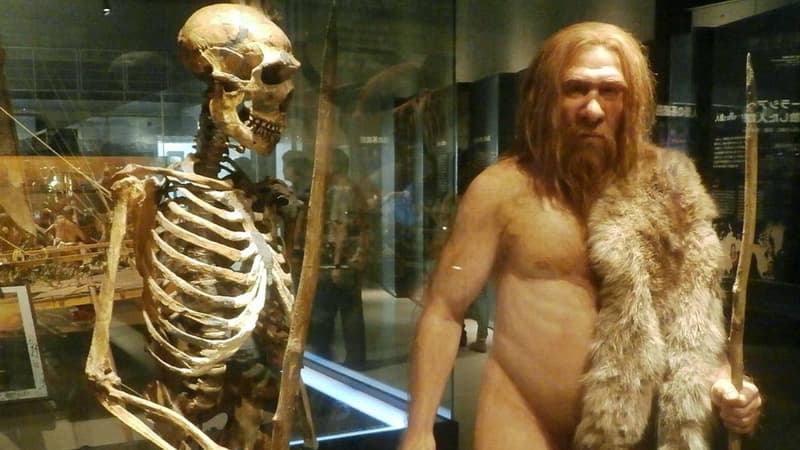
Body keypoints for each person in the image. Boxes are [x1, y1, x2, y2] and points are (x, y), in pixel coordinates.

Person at [398, 22, 762, 450]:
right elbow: (444, 309)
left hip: (626, 432)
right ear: (546, 98)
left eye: (610, 91)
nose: (592, 109)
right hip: (519, 413)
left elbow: (691, 321)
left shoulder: (669, 187)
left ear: (633, 102)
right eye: (576, 89)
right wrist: (419, 429)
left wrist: (724, 382)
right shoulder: (502, 190)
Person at [306, 148, 371, 370]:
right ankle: (355, 359)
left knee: (332, 310)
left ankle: (327, 358)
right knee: (351, 309)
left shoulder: (338, 189)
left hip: (340, 260)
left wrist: (336, 263)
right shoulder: (352, 188)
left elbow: (340, 229)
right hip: (350, 259)